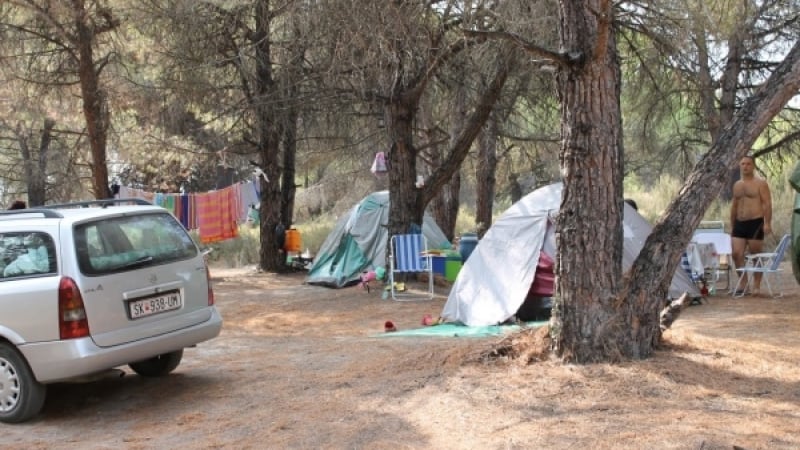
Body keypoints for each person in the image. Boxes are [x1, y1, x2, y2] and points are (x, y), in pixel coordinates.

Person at [730, 155, 772, 296]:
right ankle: (743, 284)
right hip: (739, 224)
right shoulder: (737, 185)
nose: (745, 166)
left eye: (748, 164)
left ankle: (757, 286)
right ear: (740, 166)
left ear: (753, 166)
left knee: (756, 255)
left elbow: (767, 204)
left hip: (755, 222)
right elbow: (734, 206)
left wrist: (767, 223)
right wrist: (732, 225)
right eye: (742, 164)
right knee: (736, 254)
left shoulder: (761, 183)